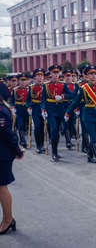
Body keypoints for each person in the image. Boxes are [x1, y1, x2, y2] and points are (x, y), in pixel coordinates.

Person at [65, 65, 96, 166]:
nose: (93, 76)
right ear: (87, 76)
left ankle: (89, 155)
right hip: (87, 115)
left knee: (95, 136)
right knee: (93, 137)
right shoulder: (83, 88)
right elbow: (75, 101)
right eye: (90, 74)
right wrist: (68, 113)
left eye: (94, 74)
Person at [0, 83, 24, 235]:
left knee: (2, 187)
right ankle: (7, 219)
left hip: (2, 154)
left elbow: (8, 134)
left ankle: (8, 220)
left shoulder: (1, 111)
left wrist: (17, 150)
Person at [26, 68, 45, 153]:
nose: (40, 77)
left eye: (41, 75)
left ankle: (42, 144)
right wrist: (28, 107)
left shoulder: (46, 86)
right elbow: (27, 100)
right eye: (38, 76)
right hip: (35, 109)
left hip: (44, 109)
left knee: (43, 128)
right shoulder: (31, 87)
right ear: (34, 78)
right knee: (37, 127)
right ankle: (38, 145)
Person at [10, 73, 31, 149]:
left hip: (27, 109)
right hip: (18, 109)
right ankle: (23, 141)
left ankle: (24, 137)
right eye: (21, 80)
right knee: (20, 125)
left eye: (24, 80)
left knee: (26, 125)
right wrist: (12, 107)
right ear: (19, 81)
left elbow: (31, 100)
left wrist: (30, 107)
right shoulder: (15, 90)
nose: (23, 82)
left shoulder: (29, 89)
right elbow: (12, 100)